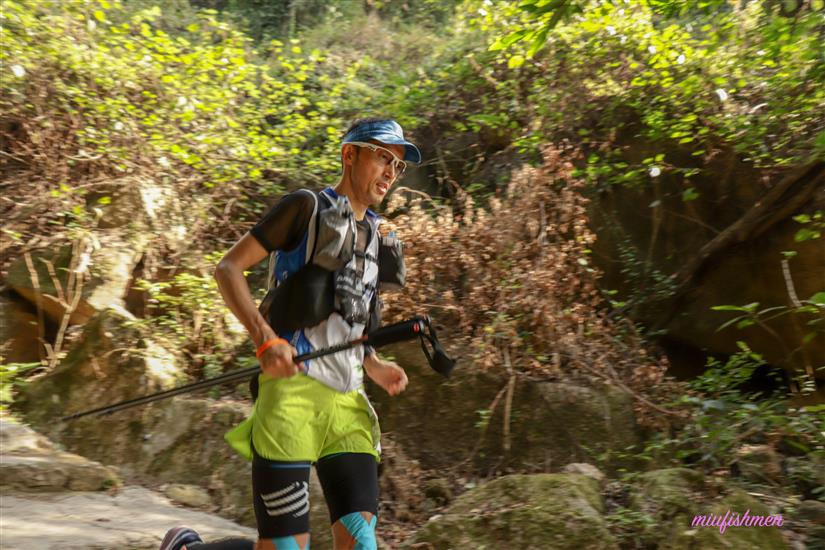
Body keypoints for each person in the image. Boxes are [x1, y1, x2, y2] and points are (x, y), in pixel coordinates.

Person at [160, 118, 421, 550]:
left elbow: (354, 316)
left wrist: (373, 364)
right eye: (382, 157)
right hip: (290, 396)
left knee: (361, 545)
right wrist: (265, 339)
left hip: (348, 404)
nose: (391, 172)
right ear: (350, 154)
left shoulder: (379, 236)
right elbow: (228, 269)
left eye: (398, 165)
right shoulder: (306, 208)